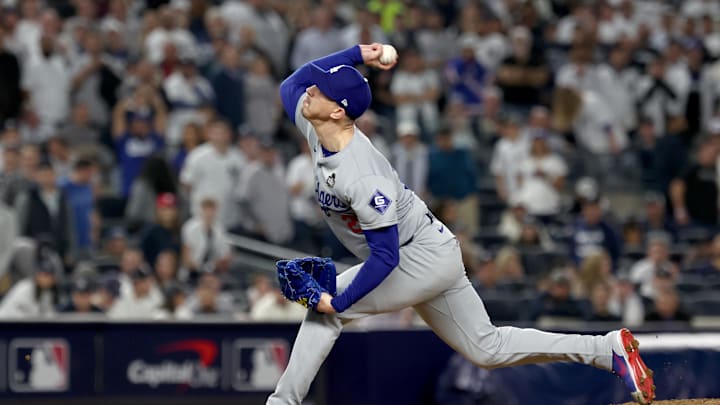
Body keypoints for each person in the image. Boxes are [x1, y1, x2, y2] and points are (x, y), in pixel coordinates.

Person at [268, 44, 655, 405]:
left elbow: (385, 259)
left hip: (415, 256)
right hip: (426, 250)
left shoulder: (363, 176)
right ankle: (608, 350)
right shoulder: (317, 124)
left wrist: (337, 301)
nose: (311, 91)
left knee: (325, 313)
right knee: (488, 349)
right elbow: (293, 81)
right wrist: (357, 53)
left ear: (338, 111)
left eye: (321, 91)